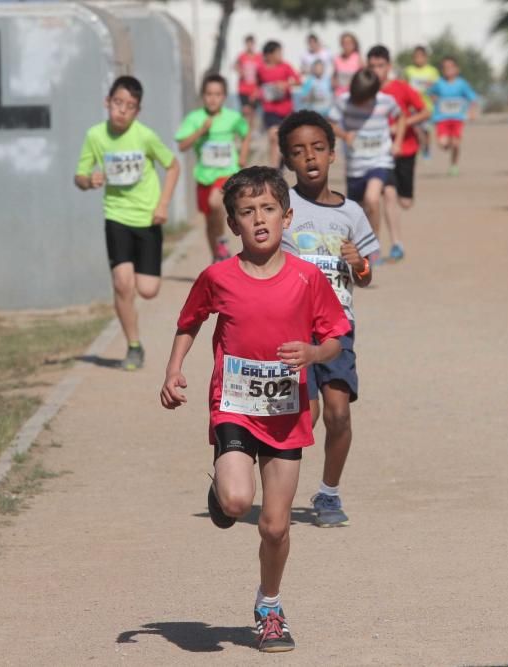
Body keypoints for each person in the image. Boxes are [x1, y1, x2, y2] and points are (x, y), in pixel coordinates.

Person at [160, 166, 349, 652]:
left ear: (286, 217)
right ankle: (224, 493)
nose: (259, 219)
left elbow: (333, 337)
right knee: (240, 503)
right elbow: (190, 321)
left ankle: (270, 607)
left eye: (268, 210)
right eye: (247, 212)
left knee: (275, 525)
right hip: (235, 408)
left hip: (287, 414)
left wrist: (312, 354)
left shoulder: (307, 278)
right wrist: (174, 369)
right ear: (233, 224)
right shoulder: (217, 276)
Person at [278, 111, 379, 527]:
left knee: (338, 413)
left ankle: (329, 494)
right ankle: (273, 486)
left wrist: (360, 264)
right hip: (292, 325)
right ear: (287, 161)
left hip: (337, 327)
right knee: (305, 415)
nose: (310, 158)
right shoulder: (281, 206)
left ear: (333, 155)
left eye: (318, 148)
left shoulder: (351, 213)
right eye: (299, 152)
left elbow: (367, 276)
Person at [74, 76, 181, 370]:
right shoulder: (95, 136)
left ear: (138, 110)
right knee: (123, 284)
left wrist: (163, 204)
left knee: (147, 290)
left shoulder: (145, 136)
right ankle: (133, 346)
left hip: (147, 218)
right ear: (107, 102)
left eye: (130, 106)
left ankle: (133, 285)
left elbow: (173, 166)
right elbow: (79, 175)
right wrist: (88, 180)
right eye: (118, 103)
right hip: (116, 216)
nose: (122, 110)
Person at [176, 73, 251, 263]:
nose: (213, 98)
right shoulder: (195, 118)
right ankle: (216, 257)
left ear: (224, 96)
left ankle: (222, 241)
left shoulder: (232, 117)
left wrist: (242, 156)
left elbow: (246, 133)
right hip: (204, 175)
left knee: (215, 202)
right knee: (209, 221)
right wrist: (201, 130)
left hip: (227, 173)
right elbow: (182, 145)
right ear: (202, 96)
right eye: (209, 94)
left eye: (217, 94)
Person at [328, 69, 404, 253]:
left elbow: (401, 116)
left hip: (380, 160)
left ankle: (373, 245)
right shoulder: (344, 102)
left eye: (363, 100)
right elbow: (330, 122)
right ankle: (361, 242)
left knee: (372, 198)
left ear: (373, 94)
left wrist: (398, 143)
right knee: (357, 211)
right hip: (355, 165)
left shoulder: (386, 102)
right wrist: (345, 135)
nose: (359, 103)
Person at [367, 45, 429, 261]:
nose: (376, 70)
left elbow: (425, 111)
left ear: (389, 66)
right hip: (381, 153)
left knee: (405, 202)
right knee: (388, 194)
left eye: (380, 66)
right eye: (372, 66)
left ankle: (394, 242)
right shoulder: (366, 90)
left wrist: (404, 124)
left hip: (406, 150)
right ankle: (396, 244)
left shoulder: (401, 88)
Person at [427, 56, 479, 177]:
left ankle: (454, 165)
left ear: (457, 69)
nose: (448, 70)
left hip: (457, 118)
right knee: (442, 144)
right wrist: (433, 98)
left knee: (456, 144)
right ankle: (447, 143)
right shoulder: (439, 83)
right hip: (442, 118)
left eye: (451, 67)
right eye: (445, 68)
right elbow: (430, 93)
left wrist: (472, 111)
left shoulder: (462, 84)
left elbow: (472, 98)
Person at [256, 41, 300, 168]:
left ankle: (281, 162)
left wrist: (285, 84)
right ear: (269, 55)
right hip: (270, 110)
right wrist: (258, 94)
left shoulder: (286, 67)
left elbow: (298, 81)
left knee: (284, 139)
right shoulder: (261, 69)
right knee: (273, 135)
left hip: (286, 110)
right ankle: (274, 170)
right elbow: (258, 85)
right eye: (278, 53)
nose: (281, 55)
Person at [402, 45, 439, 158]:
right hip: (412, 106)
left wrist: (435, 97)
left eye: (421, 57)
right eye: (416, 57)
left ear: (425, 57)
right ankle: (417, 147)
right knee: (416, 129)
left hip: (427, 106)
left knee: (426, 130)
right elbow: (404, 86)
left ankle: (427, 148)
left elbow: (436, 88)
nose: (418, 59)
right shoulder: (409, 70)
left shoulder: (432, 71)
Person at [235, 35, 263, 128]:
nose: (249, 46)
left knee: (252, 112)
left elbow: (262, 71)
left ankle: (249, 131)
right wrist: (240, 71)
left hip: (255, 89)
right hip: (243, 89)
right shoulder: (241, 56)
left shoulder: (259, 57)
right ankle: (240, 128)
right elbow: (236, 66)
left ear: (254, 44)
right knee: (245, 110)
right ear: (246, 44)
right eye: (248, 43)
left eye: (251, 43)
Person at [332, 32, 363, 97]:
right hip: (339, 94)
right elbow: (334, 75)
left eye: (349, 43)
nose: (346, 45)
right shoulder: (337, 59)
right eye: (344, 43)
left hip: (354, 95)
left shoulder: (358, 58)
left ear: (354, 44)